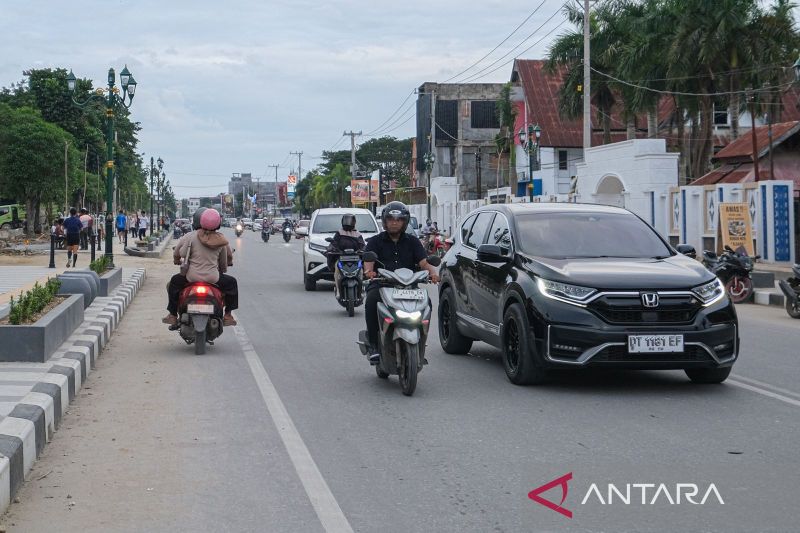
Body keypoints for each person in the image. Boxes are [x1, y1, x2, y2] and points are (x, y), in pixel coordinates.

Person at [362, 201, 439, 363]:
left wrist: (433, 273)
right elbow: (368, 264)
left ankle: (420, 342)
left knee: (428, 304)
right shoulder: (375, 242)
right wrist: (369, 272)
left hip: (409, 287)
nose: (394, 222)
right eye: (390, 219)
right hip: (382, 284)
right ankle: (374, 346)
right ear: (384, 221)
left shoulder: (412, 241)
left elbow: (424, 262)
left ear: (404, 221)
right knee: (370, 301)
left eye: (399, 219)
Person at [163, 208, 238, 328]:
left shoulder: (191, 236)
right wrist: (223, 268)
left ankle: (172, 315)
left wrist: (179, 260)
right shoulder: (221, 240)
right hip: (213, 278)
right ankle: (228, 315)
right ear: (218, 223)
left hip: (191, 277)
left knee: (174, 282)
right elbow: (224, 263)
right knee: (232, 283)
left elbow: (180, 253)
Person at [325, 213, 365, 298]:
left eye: (350, 220)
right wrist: (331, 249)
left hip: (355, 258)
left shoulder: (358, 234)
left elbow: (362, 245)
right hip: (342, 258)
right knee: (336, 268)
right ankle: (338, 291)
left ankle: (361, 290)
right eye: (346, 220)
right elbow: (334, 244)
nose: (348, 222)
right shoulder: (339, 233)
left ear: (354, 222)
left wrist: (362, 250)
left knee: (361, 270)